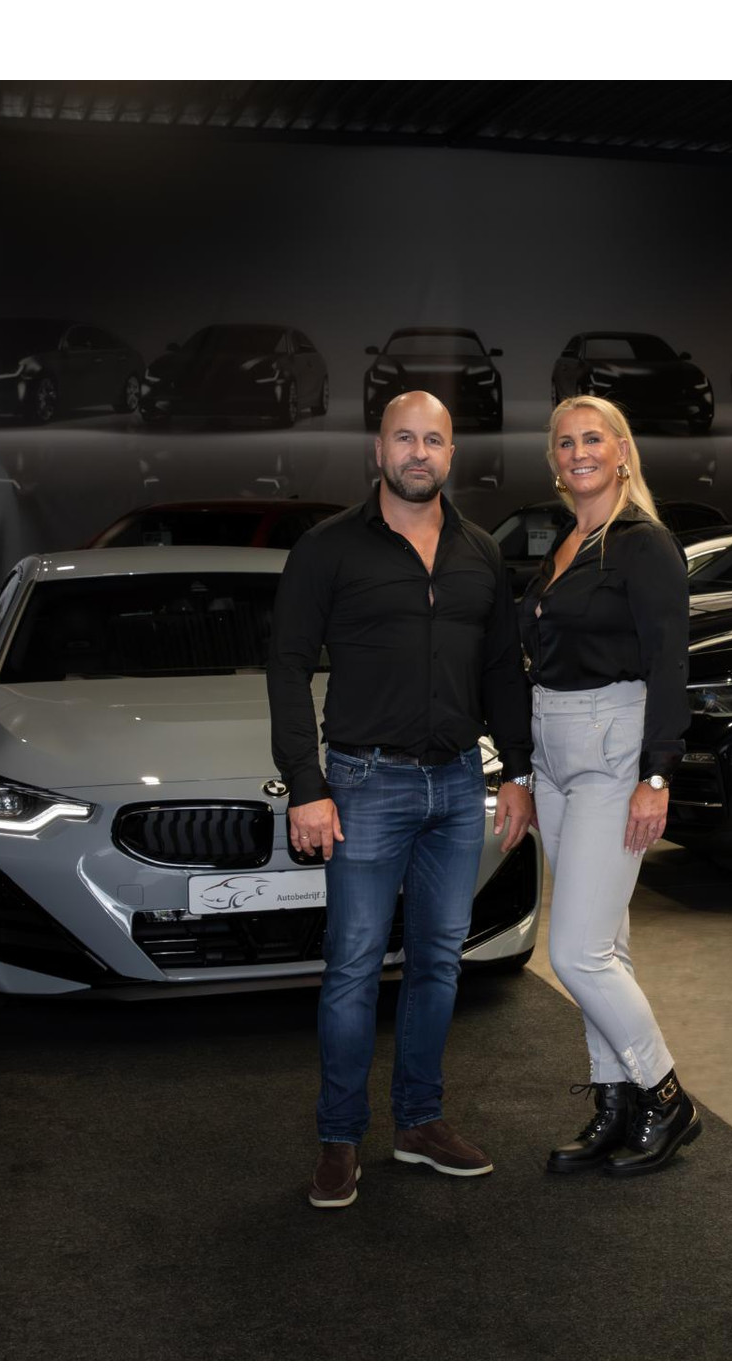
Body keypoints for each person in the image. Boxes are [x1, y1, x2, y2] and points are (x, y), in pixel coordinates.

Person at [269, 389, 535, 1209]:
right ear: (378, 450)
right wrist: (306, 787)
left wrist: (518, 771)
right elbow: (287, 665)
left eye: (434, 440)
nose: (419, 453)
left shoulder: (480, 552)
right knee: (353, 967)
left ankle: (419, 1124)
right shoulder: (327, 548)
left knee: (438, 963)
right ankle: (340, 1138)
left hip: (457, 784)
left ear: (452, 454)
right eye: (405, 438)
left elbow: (502, 669)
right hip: (363, 784)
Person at [520, 395, 699, 1176]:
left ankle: (665, 1095)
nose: (578, 452)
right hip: (552, 747)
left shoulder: (643, 544)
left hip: (611, 744)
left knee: (577, 952)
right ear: (555, 463)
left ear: (622, 452)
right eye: (565, 443)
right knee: (607, 945)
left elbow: (669, 661)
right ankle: (616, 1101)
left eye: (593, 438)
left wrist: (657, 774)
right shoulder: (566, 543)